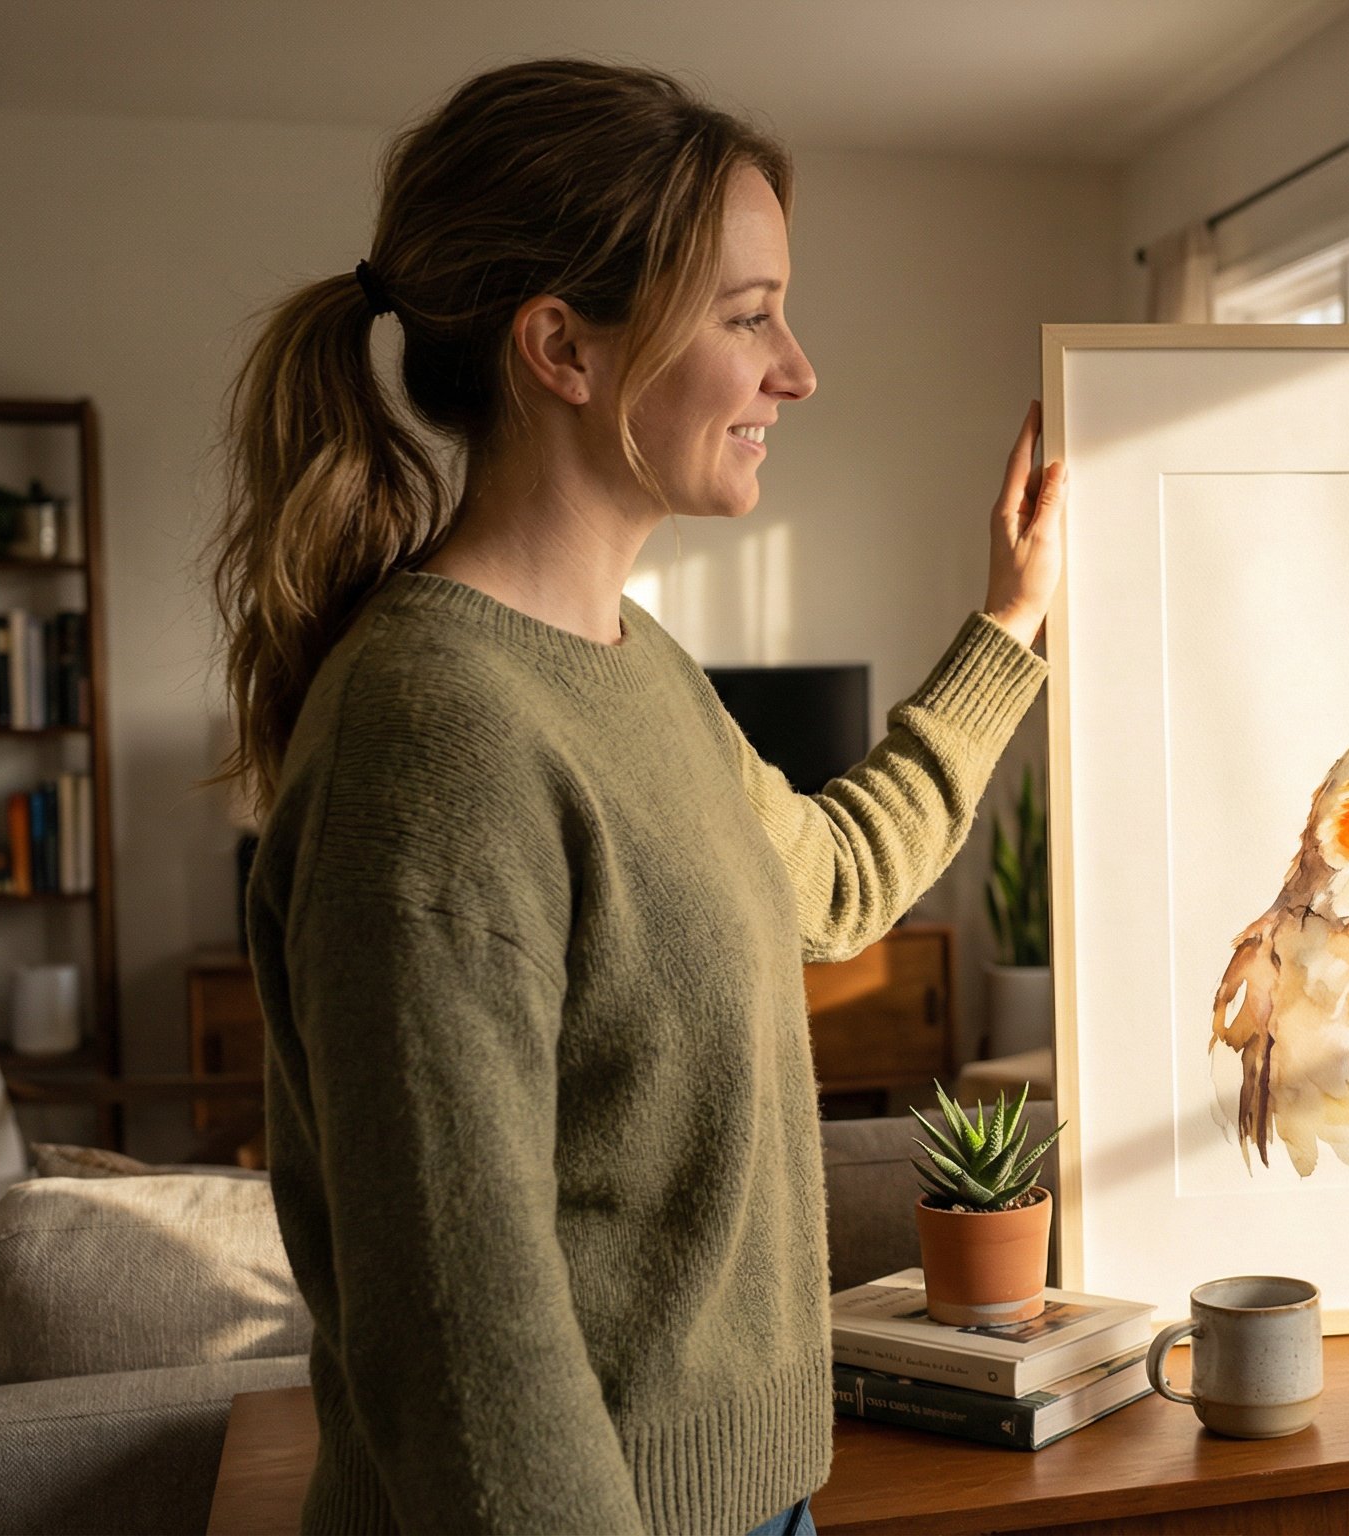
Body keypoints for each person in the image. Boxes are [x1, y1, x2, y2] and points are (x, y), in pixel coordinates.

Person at [203, 60, 1063, 1535]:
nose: (798, 370)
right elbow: (470, 1356)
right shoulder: (438, 737)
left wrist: (1011, 629)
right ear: (563, 348)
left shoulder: (632, 664)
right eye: (748, 317)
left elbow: (838, 876)